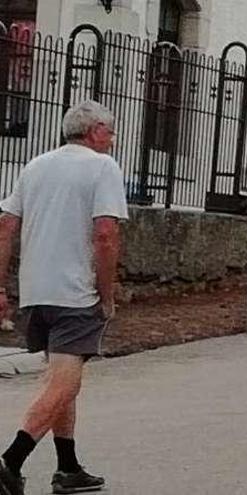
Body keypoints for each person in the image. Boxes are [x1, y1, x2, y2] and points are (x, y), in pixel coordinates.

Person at [0, 100, 128, 495]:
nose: (113, 137)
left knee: (62, 378)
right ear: (93, 133)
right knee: (64, 385)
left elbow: (6, 226)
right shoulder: (103, 167)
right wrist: (105, 294)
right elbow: (105, 234)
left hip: (37, 290)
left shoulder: (36, 166)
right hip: (77, 292)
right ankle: (10, 461)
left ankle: (68, 466)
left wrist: (0, 286)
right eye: (109, 130)